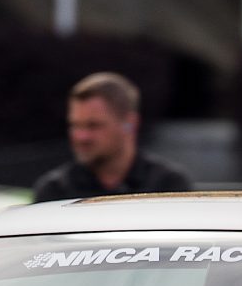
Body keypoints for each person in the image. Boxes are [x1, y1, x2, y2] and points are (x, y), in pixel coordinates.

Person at [32, 72, 193, 203]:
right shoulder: (55, 191)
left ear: (130, 123)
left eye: (93, 125)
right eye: (75, 125)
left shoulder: (168, 186)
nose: (81, 136)